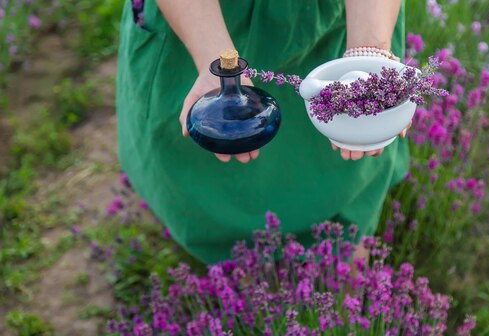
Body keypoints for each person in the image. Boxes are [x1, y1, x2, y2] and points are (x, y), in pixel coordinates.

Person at [116, 0, 410, 263]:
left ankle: (345, 246)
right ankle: (231, 260)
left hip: (340, 17)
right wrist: (215, 61)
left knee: (341, 165)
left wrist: (370, 53)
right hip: (205, 18)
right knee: (207, 177)